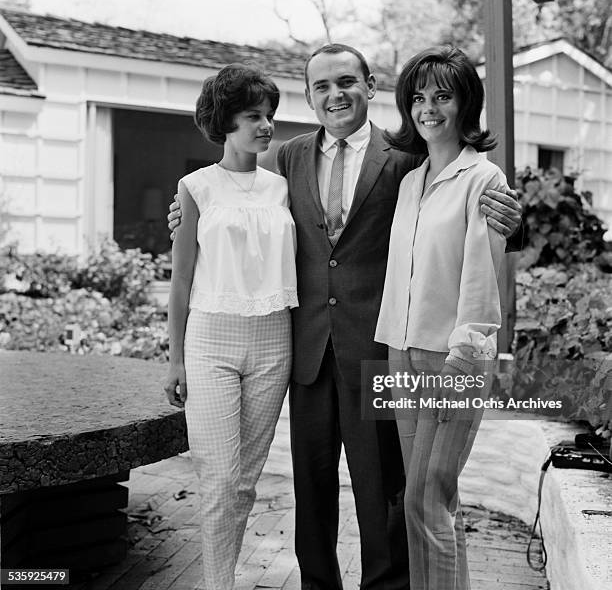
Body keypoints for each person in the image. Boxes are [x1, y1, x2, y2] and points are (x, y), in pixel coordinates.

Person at [168, 44, 522, 590]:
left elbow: (459, 209)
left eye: (346, 82)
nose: (335, 95)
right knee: (310, 490)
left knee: (381, 489)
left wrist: (512, 219)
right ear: (310, 97)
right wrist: (186, 211)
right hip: (304, 350)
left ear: (369, 85)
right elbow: (235, 195)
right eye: (321, 86)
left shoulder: (406, 159)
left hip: (378, 350)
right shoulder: (286, 157)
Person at [375, 45, 509, 590]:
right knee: (430, 501)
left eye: (443, 96)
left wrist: (463, 358)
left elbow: (481, 279)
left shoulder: (484, 178)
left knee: (425, 499)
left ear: (464, 104)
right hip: (400, 351)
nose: (429, 108)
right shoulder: (411, 182)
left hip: (452, 357)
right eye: (418, 97)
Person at [163, 63, 298, 590]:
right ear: (224, 123)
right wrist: (174, 358)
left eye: (269, 116)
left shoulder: (284, 188)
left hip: (273, 341)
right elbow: (180, 283)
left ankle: (224, 577)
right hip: (210, 340)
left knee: (244, 482)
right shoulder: (195, 188)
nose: (264, 125)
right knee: (219, 477)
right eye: (251, 116)